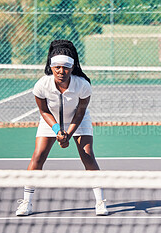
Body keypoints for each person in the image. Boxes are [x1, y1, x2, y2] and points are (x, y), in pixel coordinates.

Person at [16, 40, 108, 216]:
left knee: (88, 155)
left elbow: (80, 113)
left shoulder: (82, 85)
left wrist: (68, 134)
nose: (61, 71)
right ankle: (26, 203)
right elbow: (43, 111)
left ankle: (100, 202)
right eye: (57, 67)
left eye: (65, 67)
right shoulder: (42, 85)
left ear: (72, 68)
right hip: (50, 120)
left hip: (78, 121)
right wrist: (58, 131)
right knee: (38, 156)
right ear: (51, 67)